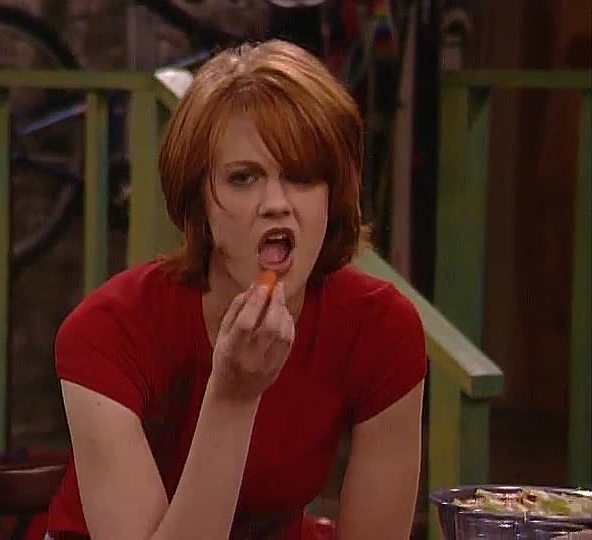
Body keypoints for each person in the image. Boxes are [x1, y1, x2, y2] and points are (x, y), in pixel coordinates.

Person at [45, 39, 426, 540]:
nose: (276, 203)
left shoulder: (381, 328)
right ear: (199, 201)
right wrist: (232, 395)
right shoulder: (107, 331)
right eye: (244, 178)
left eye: (302, 177)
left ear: (333, 195)